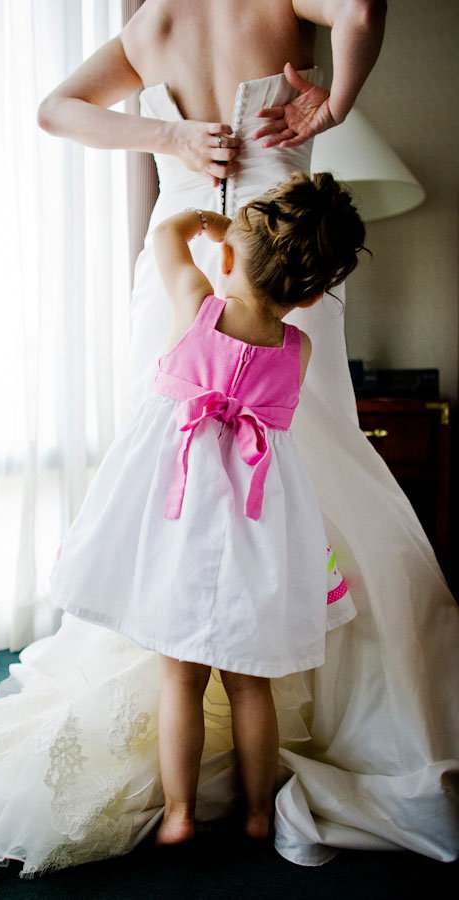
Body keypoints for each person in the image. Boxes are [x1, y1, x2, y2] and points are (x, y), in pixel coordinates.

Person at [0, 1, 459, 896]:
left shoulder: (151, 23)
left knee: (170, 457)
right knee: (308, 461)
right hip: (282, 268)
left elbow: (56, 108)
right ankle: (293, 652)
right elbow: (363, 9)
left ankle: (177, 659)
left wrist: (171, 137)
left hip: (185, 258)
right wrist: (332, 100)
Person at [51, 171, 366, 846]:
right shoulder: (298, 347)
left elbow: (166, 235)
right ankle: (257, 815)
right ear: (311, 293)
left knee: (180, 680)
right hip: (257, 524)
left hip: (181, 519)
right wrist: (248, 253)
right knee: (252, 686)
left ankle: (179, 814)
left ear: (225, 260)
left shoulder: (197, 303)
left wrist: (211, 225)